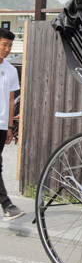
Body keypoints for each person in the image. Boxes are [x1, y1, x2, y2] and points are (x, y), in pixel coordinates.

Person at [0, 28, 25, 222]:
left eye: (9, 46)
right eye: (4, 45)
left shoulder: (10, 70)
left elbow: (10, 100)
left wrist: (10, 127)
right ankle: (7, 205)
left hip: (1, 125)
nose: (7, 49)